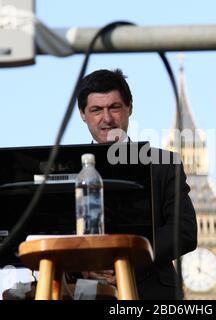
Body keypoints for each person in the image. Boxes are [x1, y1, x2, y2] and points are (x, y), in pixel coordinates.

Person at [76, 69, 197, 299]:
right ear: (83, 114)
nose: (107, 118)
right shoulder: (66, 169)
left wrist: (128, 261)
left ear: (129, 108)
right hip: (85, 290)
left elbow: (184, 231)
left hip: (151, 291)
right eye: (96, 110)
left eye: (114, 107)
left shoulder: (164, 164)